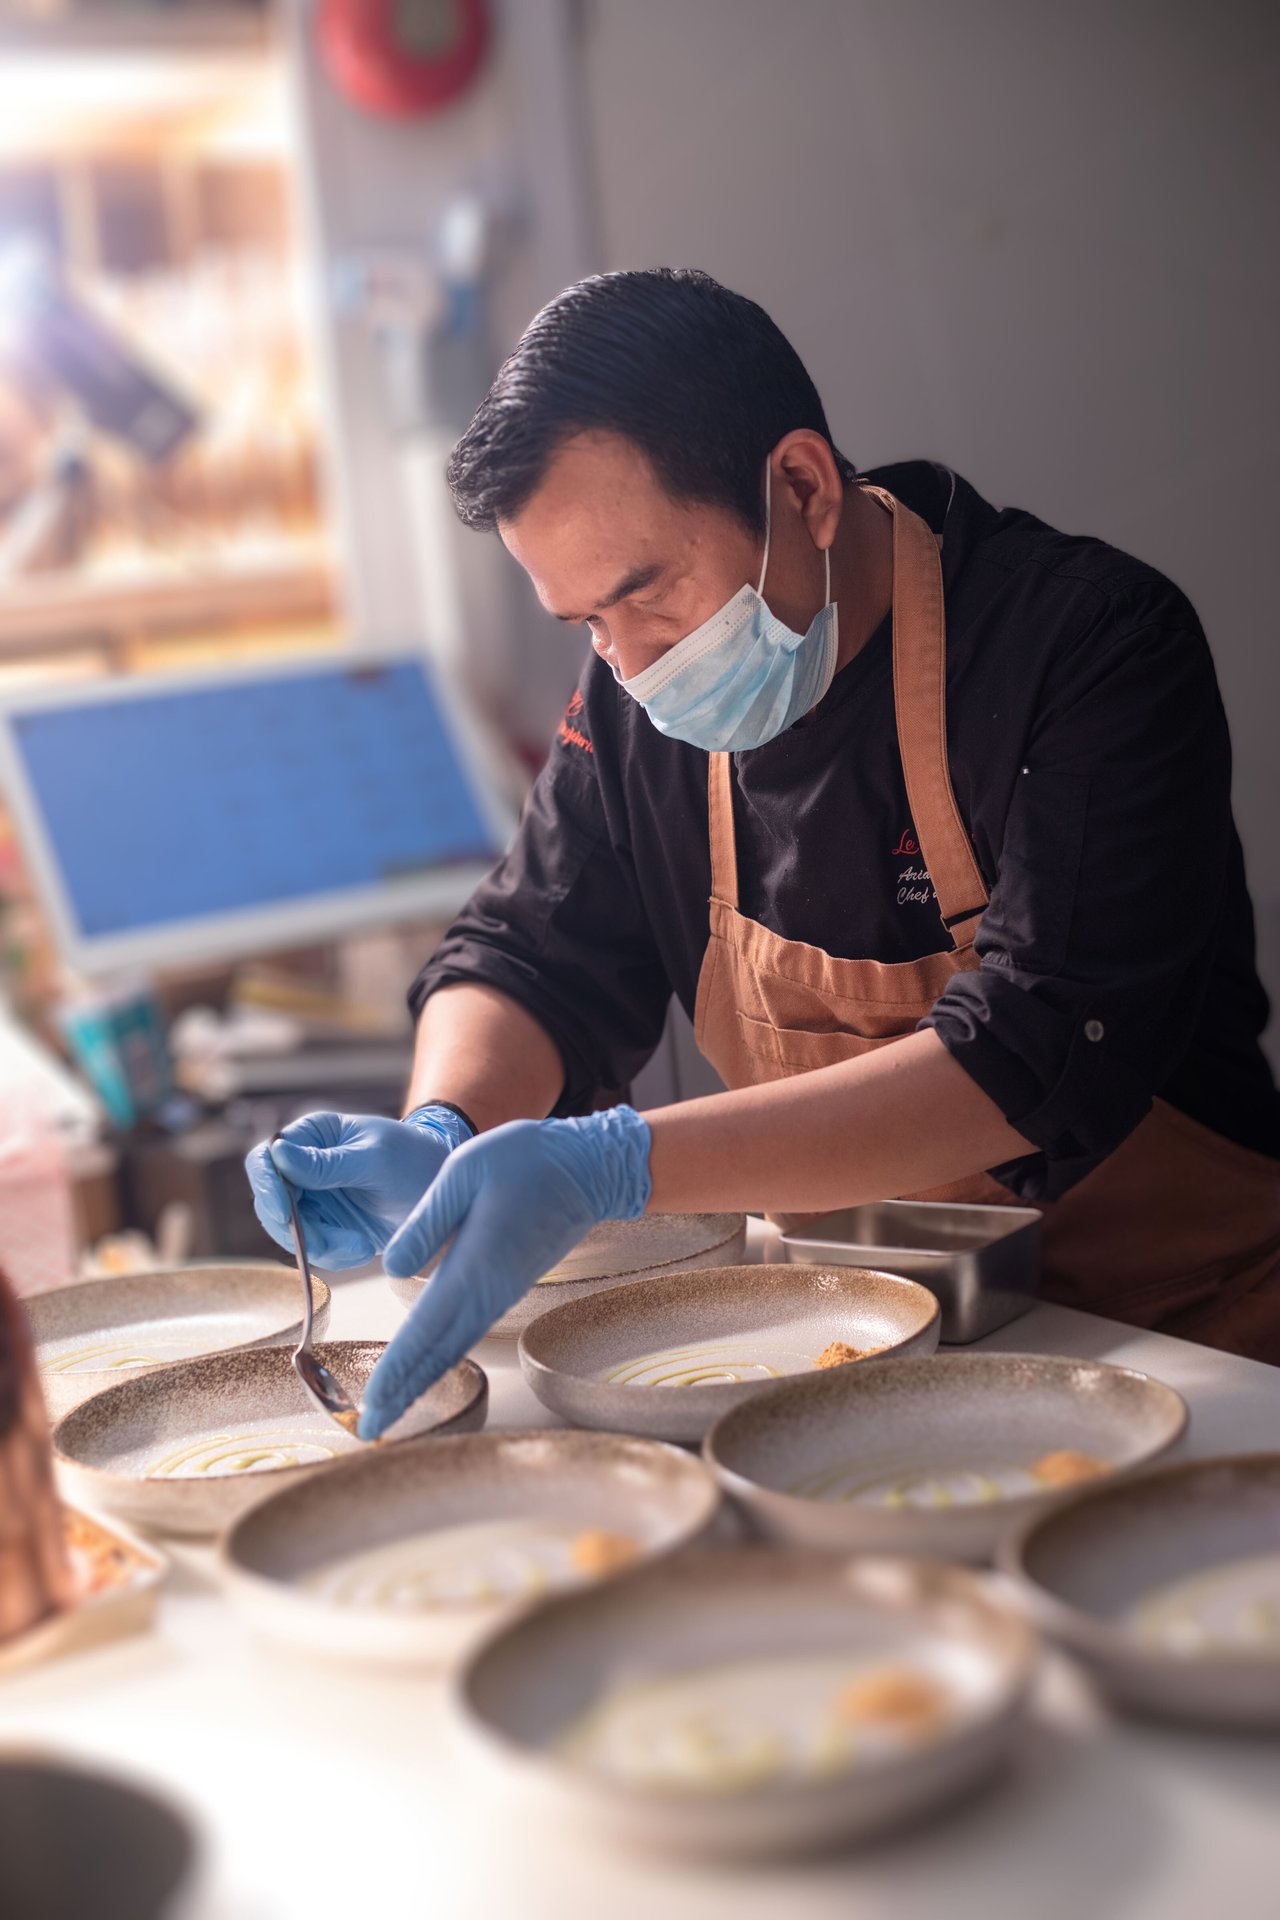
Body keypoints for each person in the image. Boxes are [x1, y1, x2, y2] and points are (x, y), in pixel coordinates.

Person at [247, 268, 1280, 1440]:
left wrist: (611, 1165)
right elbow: (530, 952)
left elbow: (1040, 1047)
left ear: (800, 485)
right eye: (586, 622)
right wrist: (445, 1129)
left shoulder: (1087, 647)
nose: (630, 667)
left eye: (651, 601)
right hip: (854, 1345)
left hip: (1192, 1347)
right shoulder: (637, 695)